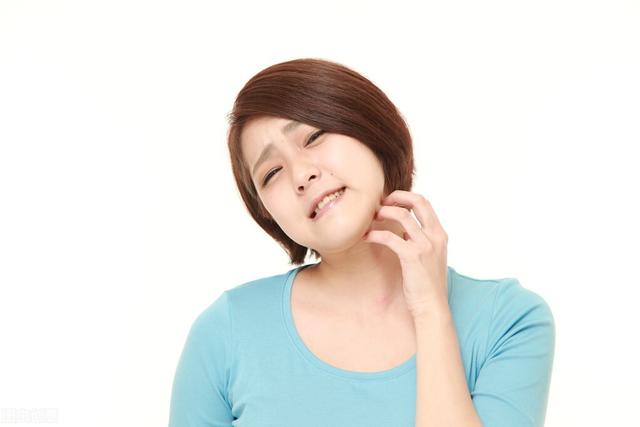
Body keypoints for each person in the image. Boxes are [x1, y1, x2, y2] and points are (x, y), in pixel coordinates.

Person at [168, 58, 555, 427]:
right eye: (271, 173)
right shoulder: (226, 331)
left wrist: (430, 311)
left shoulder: (509, 321)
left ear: (370, 129)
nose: (301, 175)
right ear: (266, 212)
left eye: (313, 137)